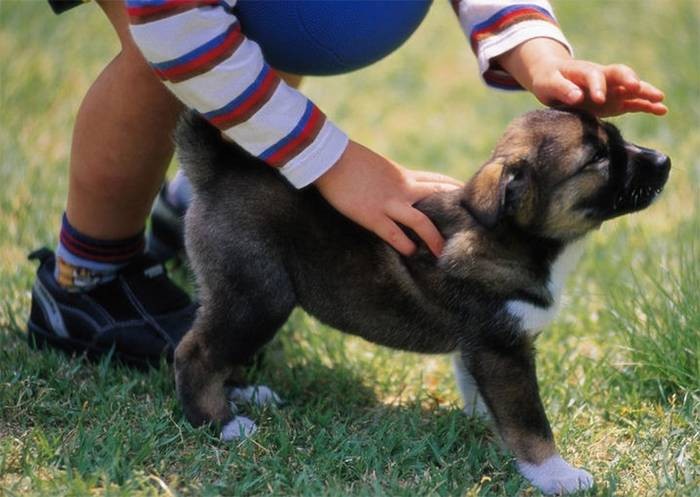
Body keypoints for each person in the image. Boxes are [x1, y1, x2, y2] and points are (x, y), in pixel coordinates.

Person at [28, 0, 667, 367]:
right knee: (160, 64)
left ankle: (209, 202)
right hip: (169, 13)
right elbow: (179, 35)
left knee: (252, 36)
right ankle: (86, 281)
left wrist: (540, 55)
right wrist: (333, 163)